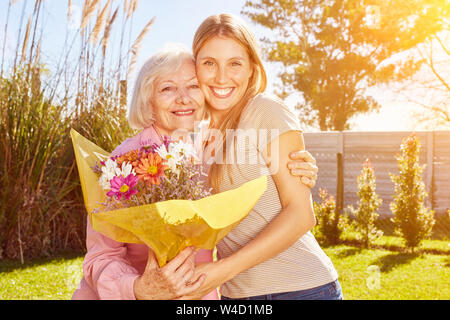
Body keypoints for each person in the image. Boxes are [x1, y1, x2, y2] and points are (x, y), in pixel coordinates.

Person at [71, 45, 319, 300]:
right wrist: (137, 288)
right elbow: (101, 257)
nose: (183, 98)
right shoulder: (121, 164)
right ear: (148, 100)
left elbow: (260, 170)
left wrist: (299, 166)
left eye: (192, 86)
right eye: (167, 89)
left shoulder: (207, 152)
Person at [177, 13, 343, 300]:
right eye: (209, 63)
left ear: (252, 69)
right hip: (236, 296)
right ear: (195, 68)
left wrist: (222, 270)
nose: (221, 77)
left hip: (300, 289)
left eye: (235, 64)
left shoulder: (266, 111)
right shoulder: (196, 135)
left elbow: (301, 215)